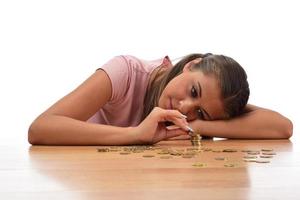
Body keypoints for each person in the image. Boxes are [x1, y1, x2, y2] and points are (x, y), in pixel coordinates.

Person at [28, 53, 293, 145]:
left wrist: (199, 126)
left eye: (201, 112)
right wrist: (136, 135)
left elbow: (282, 127)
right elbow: (40, 129)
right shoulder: (127, 72)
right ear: (191, 65)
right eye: (193, 92)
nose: (185, 108)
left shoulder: (200, 111)